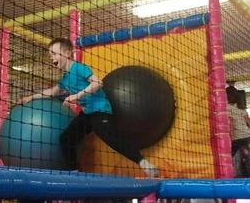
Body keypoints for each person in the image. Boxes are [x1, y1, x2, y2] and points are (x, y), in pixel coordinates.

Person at [19, 37, 159, 177]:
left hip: (99, 110)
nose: (52, 58)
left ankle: (143, 163)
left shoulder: (79, 68)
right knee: (66, 139)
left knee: (112, 138)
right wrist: (31, 97)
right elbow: (52, 92)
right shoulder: (65, 79)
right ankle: (74, 174)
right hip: (87, 115)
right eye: (50, 55)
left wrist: (76, 96)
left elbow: (98, 83)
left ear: (67, 53)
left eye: (54, 54)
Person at [226, 85, 250, 178]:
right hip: (247, 136)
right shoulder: (241, 108)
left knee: (229, 155)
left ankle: (228, 174)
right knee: (246, 157)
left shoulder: (227, 107)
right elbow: (249, 122)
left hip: (239, 137)